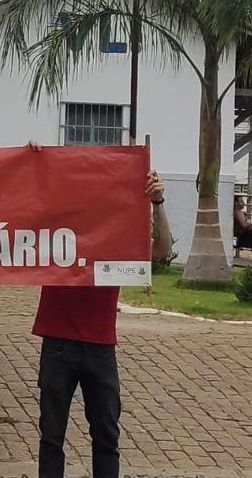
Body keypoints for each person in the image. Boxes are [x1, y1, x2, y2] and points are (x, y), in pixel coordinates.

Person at [28, 142, 173, 478]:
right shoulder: (57, 233)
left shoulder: (118, 236)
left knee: (106, 435)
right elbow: (23, 213)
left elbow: (163, 249)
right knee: (51, 436)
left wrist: (157, 203)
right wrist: (32, 164)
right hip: (58, 343)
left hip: (99, 346)